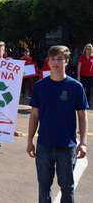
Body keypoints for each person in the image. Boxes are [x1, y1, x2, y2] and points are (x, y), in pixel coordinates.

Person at [27, 45, 88, 203]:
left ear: (66, 62)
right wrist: (30, 142)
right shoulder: (40, 86)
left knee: (67, 187)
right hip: (44, 145)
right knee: (44, 186)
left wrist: (83, 143)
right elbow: (34, 115)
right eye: (52, 59)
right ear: (48, 62)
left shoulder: (75, 87)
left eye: (60, 59)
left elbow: (82, 115)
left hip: (67, 146)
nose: (55, 62)